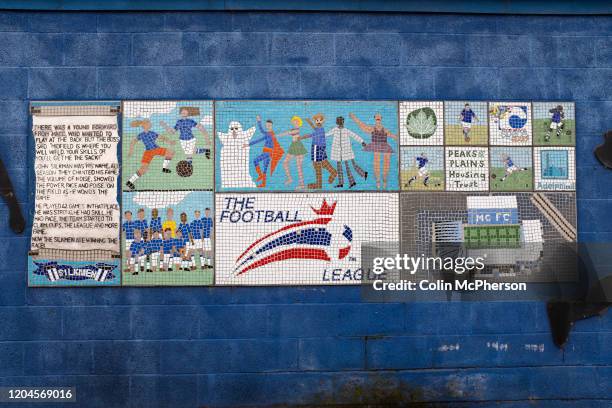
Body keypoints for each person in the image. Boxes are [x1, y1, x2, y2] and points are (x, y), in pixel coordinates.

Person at [349, 112, 397, 189]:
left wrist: (395, 137)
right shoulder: (372, 128)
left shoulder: (385, 129)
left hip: (384, 146)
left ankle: (384, 178)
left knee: (386, 160)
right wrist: (354, 118)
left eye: (379, 117)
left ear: (381, 119)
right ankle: (378, 179)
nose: (378, 118)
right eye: (376, 117)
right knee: (376, 161)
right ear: (375, 119)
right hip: (376, 145)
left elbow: (392, 135)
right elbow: (362, 126)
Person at [125, 119, 175, 191]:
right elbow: (133, 142)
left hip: (156, 149)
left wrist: (170, 141)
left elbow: (162, 137)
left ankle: (164, 168)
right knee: (144, 168)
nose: (151, 124)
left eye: (150, 123)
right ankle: (129, 182)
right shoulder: (141, 135)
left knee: (171, 152)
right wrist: (131, 151)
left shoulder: (152, 133)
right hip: (148, 151)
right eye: (149, 123)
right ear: (144, 125)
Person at [327, 116, 368, 189]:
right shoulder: (334, 130)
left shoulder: (346, 130)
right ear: (337, 122)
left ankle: (360, 176)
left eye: (341, 121)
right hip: (337, 153)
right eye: (339, 121)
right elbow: (326, 134)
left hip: (347, 151)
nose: (340, 123)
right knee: (339, 167)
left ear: (343, 122)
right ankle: (341, 183)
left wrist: (362, 141)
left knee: (350, 166)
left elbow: (354, 136)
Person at [244, 115, 284, 188]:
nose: (267, 127)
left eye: (269, 125)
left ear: (272, 126)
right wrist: (248, 144)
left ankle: (260, 175)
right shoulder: (270, 134)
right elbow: (260, 137)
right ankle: (263, 183)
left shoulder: (270, 134)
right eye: (266, 125)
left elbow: (260, 134)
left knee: (255, 160)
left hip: (268, 153)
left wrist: (259, 121)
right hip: (268, 153)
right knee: (265, 168)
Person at [300, 113, 337, 189]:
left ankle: (319, 184)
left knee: (317, 165)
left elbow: (310, 134)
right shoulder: (320, 129)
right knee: (323, 163)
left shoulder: (319, 130)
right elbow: (313, 131)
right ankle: (333, 172)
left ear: (323, 121)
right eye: (317, 120)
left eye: (320, 120)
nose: (318, 121)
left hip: (316, 147)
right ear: (315, 121)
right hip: (322, 147)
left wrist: (301, 137)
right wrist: (309, 122)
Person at [277, 116, 307, 189]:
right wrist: (278, 135)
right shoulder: (293, 129)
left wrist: (278, 135)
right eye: (294, 122)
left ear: (299, 123)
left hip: (299, 146)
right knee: (285, 162)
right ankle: (290, 178)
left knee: (299, 166)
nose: (295, 123)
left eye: (296, 122)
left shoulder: (297, 130)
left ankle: (302, 183)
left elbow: (288, 133)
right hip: (293, 146)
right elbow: (287, 132)